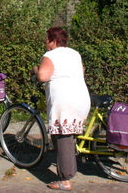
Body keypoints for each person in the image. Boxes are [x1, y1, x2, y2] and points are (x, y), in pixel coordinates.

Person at [32, 27, 90, 191]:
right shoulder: (74, 53)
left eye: (47, 39)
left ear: (54, 41)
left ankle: (65, 180)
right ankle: (68, 169)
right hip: (81, 98)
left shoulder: (50, 55)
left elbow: (43, 76)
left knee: (62, 138)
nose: (45, 42)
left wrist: (35, 70)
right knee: (67, 136)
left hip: (64, 101)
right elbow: (81, 72)